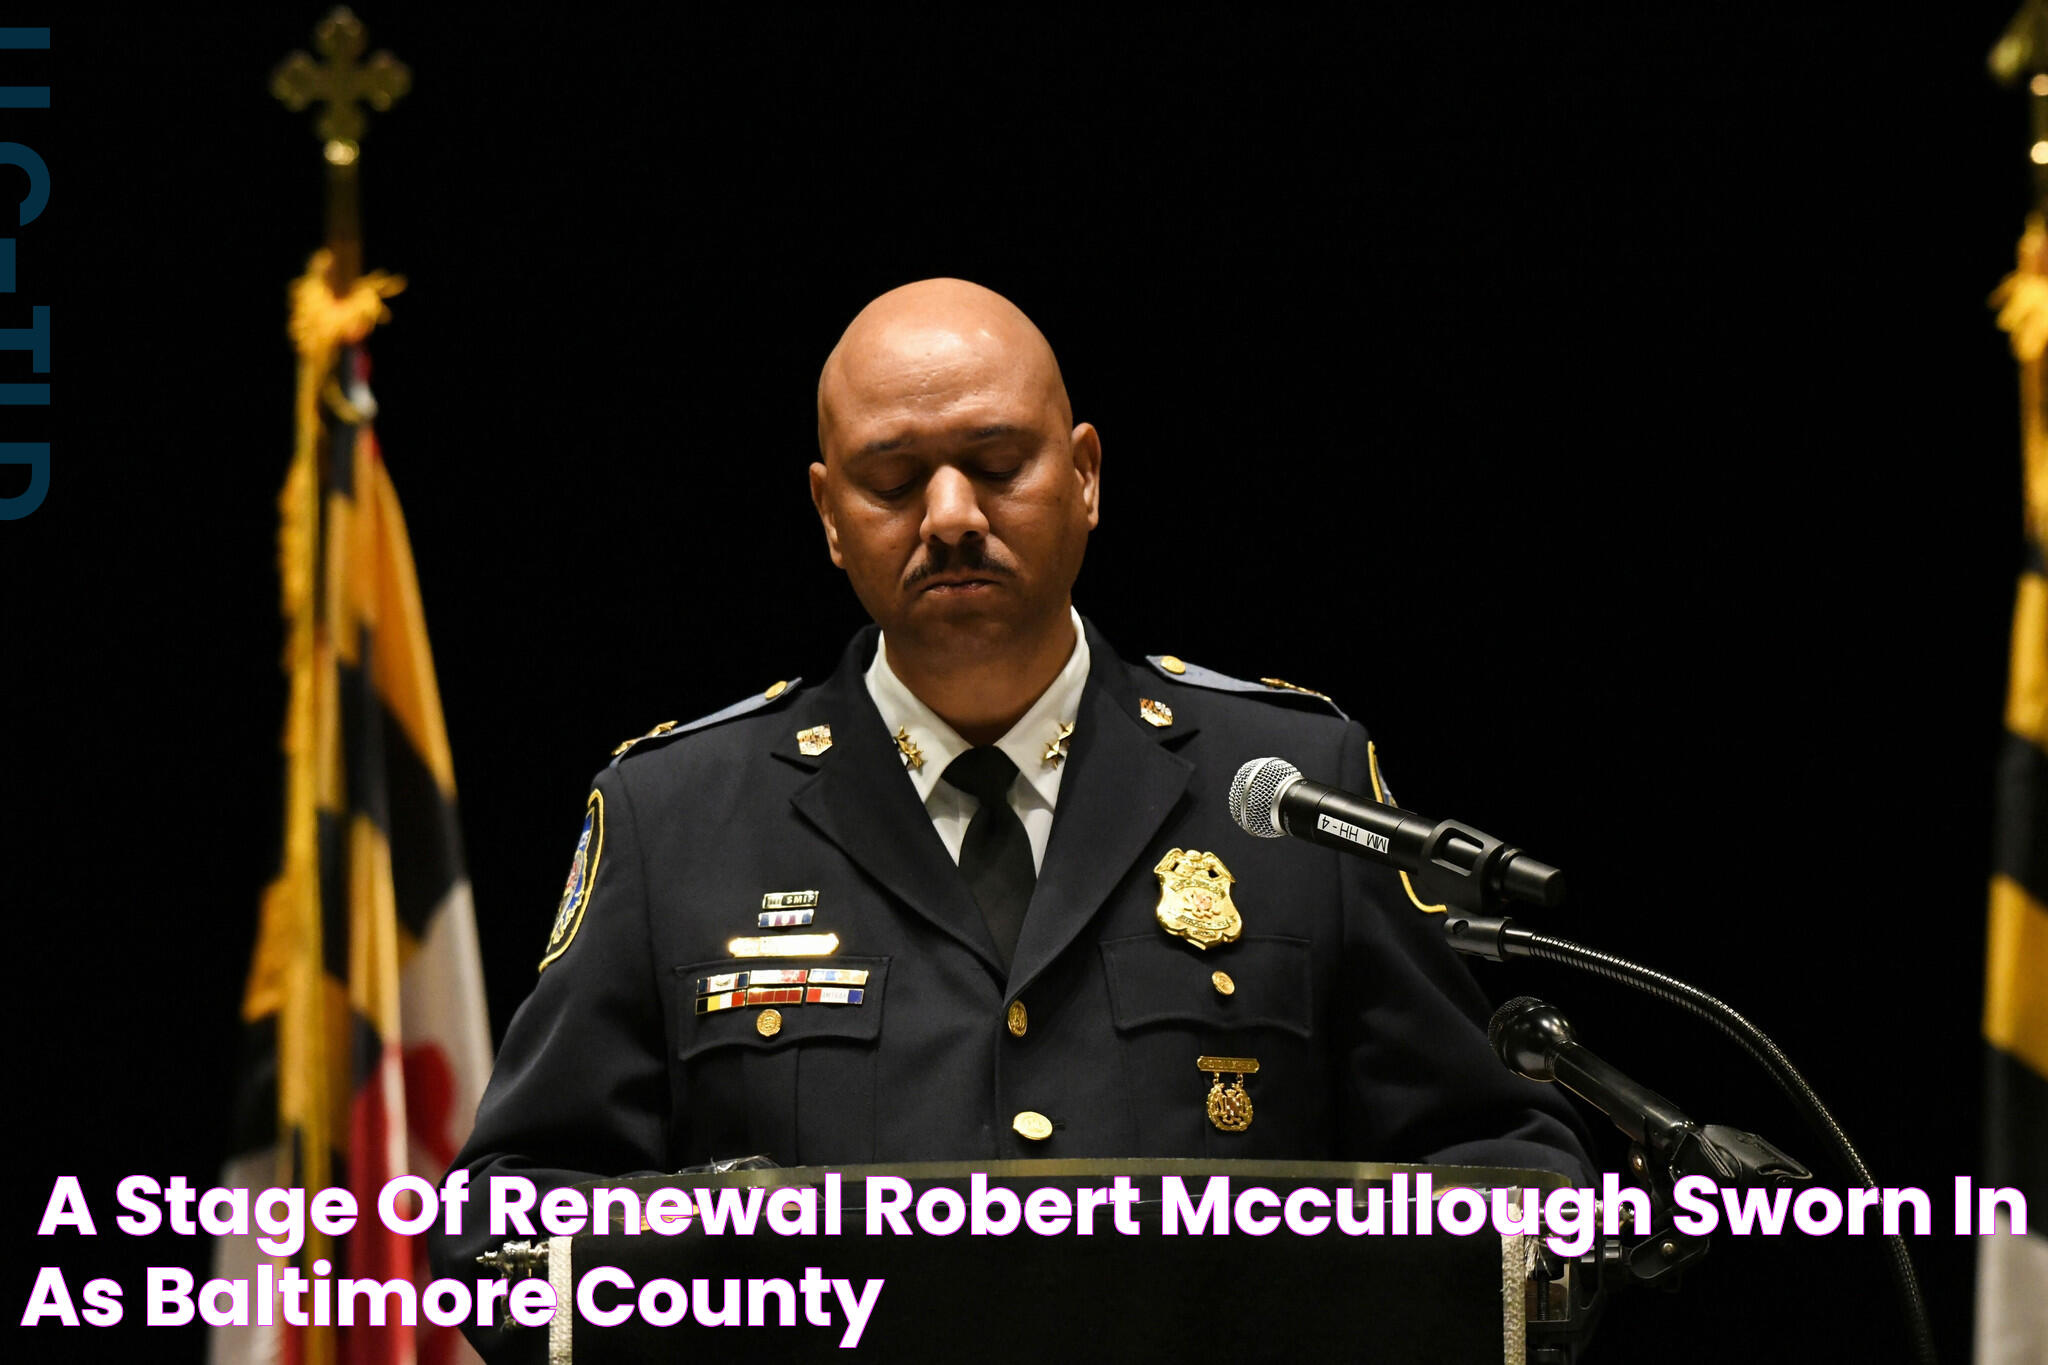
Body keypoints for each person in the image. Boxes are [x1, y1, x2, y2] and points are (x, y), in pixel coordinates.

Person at [434, 278, 1592, 1342]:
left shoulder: (1289, 788)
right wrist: (768, 1244)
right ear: (828, 512)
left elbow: (1507, 1174)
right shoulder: (674, 814)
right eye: (892, 478)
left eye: (996, 463)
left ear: (1084, 476)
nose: (948, 515)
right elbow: (504, 1227)